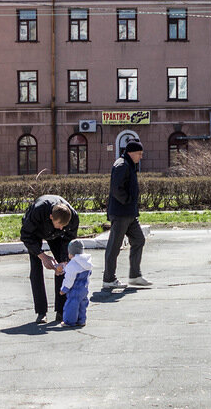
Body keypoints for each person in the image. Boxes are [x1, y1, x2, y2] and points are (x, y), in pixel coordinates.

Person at [20, 194, 79, 323]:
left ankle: (61, 311)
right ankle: (41, 312)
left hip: (58, 237)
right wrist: (43, 256)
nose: (62, 227)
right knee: (36, 269)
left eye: (64, 225)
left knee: (63, 269)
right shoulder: (38, 211)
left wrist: (64, 260)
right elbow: (25, 235)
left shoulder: (73, 218)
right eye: (59, 224)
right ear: (51, 217)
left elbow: (69, 239)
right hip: (35, 233)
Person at [103, 140, 152, 289]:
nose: (141, 157)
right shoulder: (122, 165)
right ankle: (109, 279)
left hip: (129, 213)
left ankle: (135, 276)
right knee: (114, 246)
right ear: (131, 152)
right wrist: (128, 200)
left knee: (138, 240)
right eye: (139, 153)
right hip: (121, 213)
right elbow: (116, 189)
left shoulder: (128, 164)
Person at [59, 238, 92, 327]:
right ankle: (81, 320)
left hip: (74, 289)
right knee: (82, 304)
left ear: (71, 254)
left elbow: (69, 279)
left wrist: (64, 289)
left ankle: (69, 321)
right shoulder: (87, 262)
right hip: (84, 289)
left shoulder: (72, 265)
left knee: (71, 305)